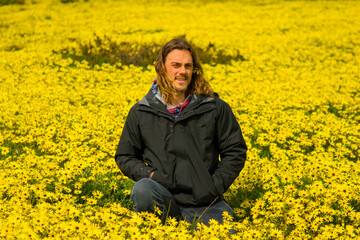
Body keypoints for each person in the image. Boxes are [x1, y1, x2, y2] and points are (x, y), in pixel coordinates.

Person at [115, 39, 247, 229]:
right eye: (175, 65)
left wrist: (213, 187)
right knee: (143, 189)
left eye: (188, 66)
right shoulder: (141, 111)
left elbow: (235, 151)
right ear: (160, 68)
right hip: (163, 195)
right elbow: (125, 156)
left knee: (223, 235)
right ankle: (157, 228)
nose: (182, 71)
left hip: (204, 202)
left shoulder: (214, 107)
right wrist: (151, 175)